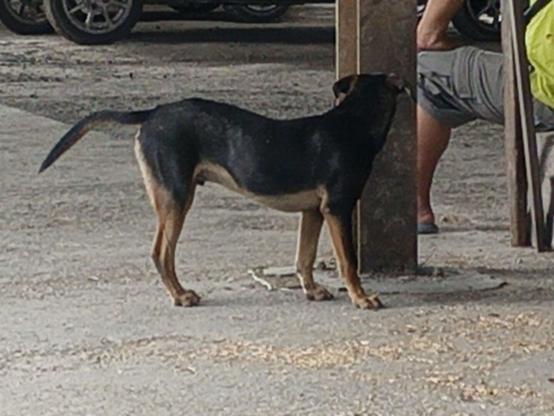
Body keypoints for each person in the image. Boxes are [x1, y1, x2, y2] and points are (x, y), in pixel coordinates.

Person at [416, 0, 554, 234]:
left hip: (547, 94)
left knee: (426, 71)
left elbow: (426, 40)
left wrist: (428, 30)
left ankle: (414, 207)